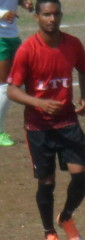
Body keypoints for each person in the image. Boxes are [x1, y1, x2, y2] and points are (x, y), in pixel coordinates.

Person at [7, 0, 85, 240]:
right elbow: (11, 89)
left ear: (61, 15)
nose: (51, 19)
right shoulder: (28, 50)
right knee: (46, 182)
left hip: (67, 122)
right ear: (37, 18)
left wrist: (84, 97)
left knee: (81, 175)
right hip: (38, 127)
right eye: (46, 15)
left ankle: (65, 217)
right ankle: (49, 233)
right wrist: (37, 103)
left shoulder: (73, 44)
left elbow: (84, 70)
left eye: (55, 14)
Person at [0, 0, 33, 146]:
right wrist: (2, 14)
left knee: (22, 81)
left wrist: (24, 3)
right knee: (5, 85)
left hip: (13, 36)